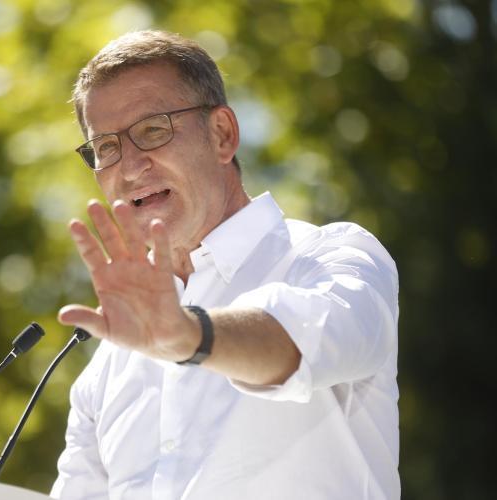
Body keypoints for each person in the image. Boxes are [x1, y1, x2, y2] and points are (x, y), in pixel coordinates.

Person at [50, 30, 400, 500]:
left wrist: (188, 335)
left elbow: (314, 338)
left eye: (152, 130)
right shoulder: (107, 367)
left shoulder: (331, 256)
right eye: (107, 147)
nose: (130, 167)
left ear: (222, 135)